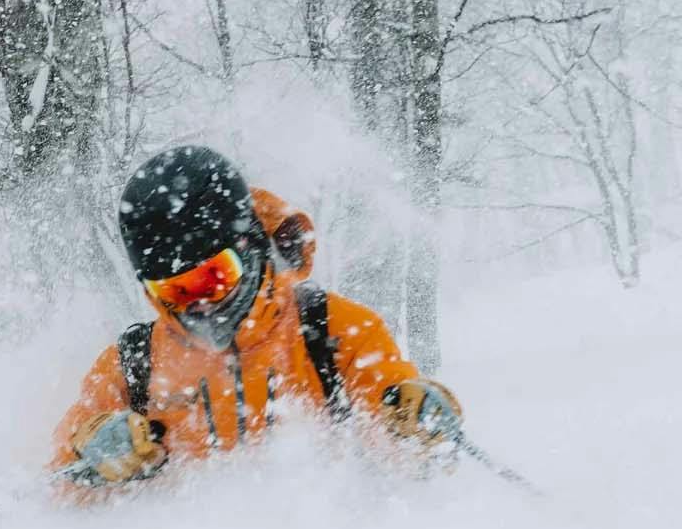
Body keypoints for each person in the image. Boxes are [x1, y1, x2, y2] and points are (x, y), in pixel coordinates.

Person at [49, 144, 465, 489]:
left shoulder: (333, 331)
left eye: (215, 277)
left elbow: (407, 448)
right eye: (176, 290)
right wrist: (89, 448)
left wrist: (418, 416)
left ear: (250, 248)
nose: (201, 304)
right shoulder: (135, 363)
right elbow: (58, 487)